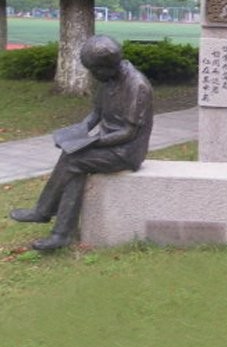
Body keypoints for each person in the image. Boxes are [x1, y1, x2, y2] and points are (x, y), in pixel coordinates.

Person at [10, 35, 153, 251]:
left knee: (73, 161)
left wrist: (92, 142)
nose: (92, 75)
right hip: (107, 144)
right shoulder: (106, 80)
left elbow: (129, 132)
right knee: (73, 161)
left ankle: (44, 213)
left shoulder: (138, 85)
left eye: (94, 70)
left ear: (106, 67)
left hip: (126, 151)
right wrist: (77, 132)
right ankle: (61, 234)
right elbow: (95, 114)